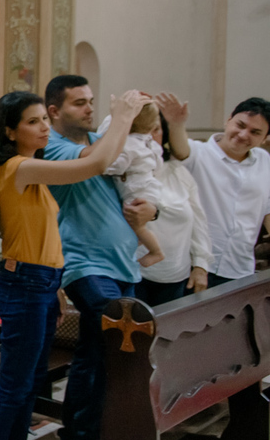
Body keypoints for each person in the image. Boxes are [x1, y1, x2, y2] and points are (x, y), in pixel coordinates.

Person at [0, 88, 149, 440]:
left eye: (43, 119)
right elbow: (93, 164)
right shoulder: (17, 166)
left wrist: (54, 279)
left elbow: (44, 235)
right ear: (11, 131)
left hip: (42, 282)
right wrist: (123, 115)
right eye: (34, 121)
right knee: (15, 387)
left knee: (32, 381)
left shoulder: (30, 169)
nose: (44, 127)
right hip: (25, 285)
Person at [42, 75, 157, 440]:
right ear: (54, 111)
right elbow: (99, 164)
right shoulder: (53, 148)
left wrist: (150, 209)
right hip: (84, 263)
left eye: (92, 101)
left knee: (98, 353)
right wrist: (123, 117)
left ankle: (94, 438)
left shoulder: (96, 145)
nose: (90, 108)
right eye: (79, 103)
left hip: (122, 262)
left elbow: (137, 183)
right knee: (108, 342)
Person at [159, 93, 270, 287]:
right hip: (196, 266)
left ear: (264, 138)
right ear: (228, 121)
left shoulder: (264, 161)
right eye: (240, 125)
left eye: (255, 132)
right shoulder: (199, 153)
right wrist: (177, 124)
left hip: (240, 267)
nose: (244, 135)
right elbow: (181, 150)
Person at [133, 111, 213, 305]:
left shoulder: (178, 171)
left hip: (176, 276)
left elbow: (199, 222)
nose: (150, 137)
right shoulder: (122, 172)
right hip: (134, 275)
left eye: (156, 130)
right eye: (144, 130)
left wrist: (201, 266)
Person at [97, 102, 166, 268]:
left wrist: (103, 168)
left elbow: (119, 165)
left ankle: (156, 252)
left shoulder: (129, 144)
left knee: (137, 224)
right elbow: (158, 164)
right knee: (139, 227)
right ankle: (143, 240)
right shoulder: (150, 142)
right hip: (150, 186)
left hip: (136, 190)